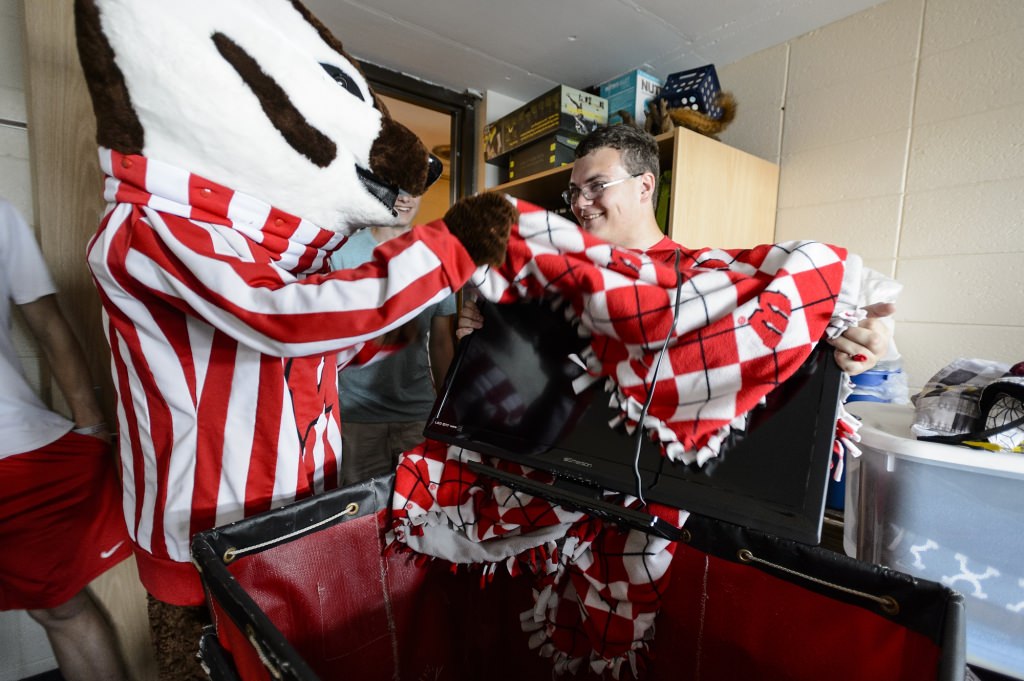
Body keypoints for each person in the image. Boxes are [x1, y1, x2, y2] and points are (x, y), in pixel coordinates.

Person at [459, 124, 893, 373]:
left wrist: (870, 338)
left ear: (645, 185)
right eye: (573, 192)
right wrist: (481, 341)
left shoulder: (699, 273)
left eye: (596, 187)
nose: (580, 204)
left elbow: (801, 291)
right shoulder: (556, 277)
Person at [0, 198, 131, 681]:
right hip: (21, 460)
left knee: (59, 609)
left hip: (18, 458)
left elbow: (50, 325)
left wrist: (93, 424)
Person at [333, 190, 458, 483]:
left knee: (419, 513)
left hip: (417, 415)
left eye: (414, 189)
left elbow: (441, 343)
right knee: (358, 520)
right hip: (354, 417)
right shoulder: (342, 252)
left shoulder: (436, 253)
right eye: (397, 188)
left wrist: (447, 413)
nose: (405, 198)